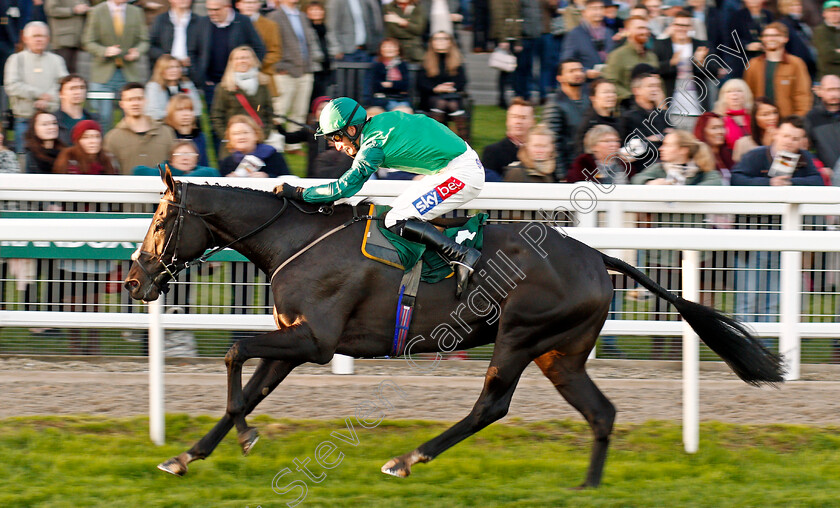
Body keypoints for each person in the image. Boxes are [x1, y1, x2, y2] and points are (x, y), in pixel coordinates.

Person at [274, 97, 485, 297]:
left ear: (352, 129)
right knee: (394, 215)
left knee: (397, 219)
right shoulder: (377, 124)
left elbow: (344, 188)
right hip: (449, 168)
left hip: (462, 173)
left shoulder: (372, 146)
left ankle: (461, 255)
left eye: (337, 137)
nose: (337, 145)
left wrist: (299, 193)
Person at [730, 116, 824, 324]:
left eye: (795, 138)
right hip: (753, 236)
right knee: (749, 296)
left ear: (802, 141)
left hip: (785, 236)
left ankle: (766, 349)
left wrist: (790, 183)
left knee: (773, 298)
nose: (789, 141)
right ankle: (743, 349)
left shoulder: (804, 158)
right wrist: (769, 183)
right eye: (786, 136)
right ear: (776, 134)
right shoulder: (755, 156)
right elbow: (737, 179)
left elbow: (817, 181)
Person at [81, 0, 149, 130]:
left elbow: (144, 40)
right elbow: (88, 41)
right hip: (103, 73)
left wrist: (137, 51)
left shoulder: (136, 12)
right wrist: (104, 51)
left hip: (128, 73)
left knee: (132, 117)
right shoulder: (96, 12)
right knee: (103, 118)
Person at [4, 21, 68, 153]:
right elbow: (11, 86)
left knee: (53, 158)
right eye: (35, 36)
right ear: (25, 38)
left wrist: (47, 100)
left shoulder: (57, 60)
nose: (39, 39)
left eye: (42, 36)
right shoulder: (16, 59)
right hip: (24, 119)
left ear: (48, 38)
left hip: (52, 121)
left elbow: (64, 85)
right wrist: (38, 94)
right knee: (25, 157)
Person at [267, 0, 323, 149]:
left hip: (305, 70)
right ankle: (275, 144)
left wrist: (310, 64)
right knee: (280, 110)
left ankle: (293, 145)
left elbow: (308, 42)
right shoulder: (275, 16)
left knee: (300, 109)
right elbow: (270, 44)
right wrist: (279, 66)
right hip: (285, 71)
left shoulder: (303, 16)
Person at [195, 0, 265, 114]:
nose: (212, 13)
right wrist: (202, 78)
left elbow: (259, 48)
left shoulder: (243, 22)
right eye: (209, 9)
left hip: (238, 83)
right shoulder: (203, 23)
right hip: (212, 84)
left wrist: (246, 70)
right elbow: (193, 51)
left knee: (244, 118)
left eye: (216, 9)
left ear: (227, 7)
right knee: (216, 120)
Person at [743, 22, 812, 118]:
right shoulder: (753, 64)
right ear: (762, 39)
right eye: (766, 35)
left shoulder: (796, 64)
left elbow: (803, 96)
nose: (771, 39)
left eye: (776, 35)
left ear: (785, 39)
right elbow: (748, 96)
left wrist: (798, 121)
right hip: (761, 122)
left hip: (787, 122)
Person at [103, 82, 176, 173]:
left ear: (146, 100)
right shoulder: (112, 138)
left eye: (139, 99)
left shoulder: (166, 133)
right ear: (122, 104)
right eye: (130, 100)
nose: (135, 103)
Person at [210, 45, 275, 145]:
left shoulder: (262, 84)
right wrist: (227, 137)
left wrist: (265, 133)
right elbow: (217, 116)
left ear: (253, 60)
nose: (242, 61)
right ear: (232, 62)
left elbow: (268, 110)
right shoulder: (224, 88)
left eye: (246, 57)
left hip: (258, 140)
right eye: (238, 58)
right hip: (234, 143)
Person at [652, 10, 708, 112]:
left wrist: (700, 63)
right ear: (672, 25)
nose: (681, 29)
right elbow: (653, 70)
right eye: (678, 25)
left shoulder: (700, 45)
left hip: (696, 105)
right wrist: (671, 63)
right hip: (670, 104)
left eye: (685, 25)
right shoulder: (661, 44)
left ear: (691, 27)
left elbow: (714, 72)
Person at [544, 58, 590, 181]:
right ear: (560, 78)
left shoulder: (589, 100)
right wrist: (562, 175)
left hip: (588, 167)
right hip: (569, 170)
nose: (578, 74)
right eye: (572, 71)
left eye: (580, 70)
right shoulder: (555, 104)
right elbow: (553, 142)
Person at [418, 31, 469, 140]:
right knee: (443, 103)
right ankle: (460, 141)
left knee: (451, 103)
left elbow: (462, 82)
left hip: (452, 96)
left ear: (450, 42)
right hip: (431, 97)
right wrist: (436, 89)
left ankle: (445, 141)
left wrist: (451, 88)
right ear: (432, 43)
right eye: (436, 39)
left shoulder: (457, 61)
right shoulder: (426, 61)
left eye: (444, 39)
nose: (440, 41)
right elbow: (421, 83)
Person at [631, 130, 722, 185]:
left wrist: (680, 190)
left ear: (683, 150)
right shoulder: (659, 168)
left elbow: (716, 182)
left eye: (667, 145)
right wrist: (649, 183)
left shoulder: (702, 171)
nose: (661, 149)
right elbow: (637, 179)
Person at [603, 16, 659, 104]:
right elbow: (611, 82)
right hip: (627, 110)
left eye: (646, 29)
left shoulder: (652, 56)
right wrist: (633, 98)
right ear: (627, 31)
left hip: (651, 111)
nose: (645, 32)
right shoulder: (617, 55)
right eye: (640, 28)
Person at [148, 0, 205, 85]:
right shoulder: (161, 20)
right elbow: (150, 46)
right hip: (165, 72)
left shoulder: (199, 21)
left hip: (191, 72)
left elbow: (204, 49)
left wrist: (192, 60)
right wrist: (166, 58)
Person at [236, 0, 281, 103]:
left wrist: (253, 64)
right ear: (238, 4)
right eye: (246, 3)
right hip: (236, 77)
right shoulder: (233, 23)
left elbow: (275, 52)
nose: (249, 6)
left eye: (253, 2)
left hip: (263, 76)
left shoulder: (270, 25)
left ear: (259, 4)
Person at [481, 97, 535, 181]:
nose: (518, 121)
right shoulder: (493, 152)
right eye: (514, 117)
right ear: (507, 120)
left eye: (523, 117)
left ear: (533, 122)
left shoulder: (540, 150)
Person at [219, 114, 289, 177]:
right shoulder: (227, 162)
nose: (241, 137)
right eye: (236, 134)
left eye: (245, 132)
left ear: (256, 135)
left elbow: (289, 183)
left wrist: (267, 178)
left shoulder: (273, 156)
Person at [561, 0, 616, 80]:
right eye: (594, 9)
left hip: (607, 80)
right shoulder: (575, 34)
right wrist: (585, 72)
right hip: (586, 84)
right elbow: (566, 61)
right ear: (584, 12)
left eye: (601, 8)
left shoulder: (608, 32)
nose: (598, 12)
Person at [144, 54, 202, 120]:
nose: (174, 70)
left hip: (186, 123)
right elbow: (153, 113)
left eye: (177, 67)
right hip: (162, 125)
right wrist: (177, 116)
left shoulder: (187, 84)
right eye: (169, 68)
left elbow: (197, 109)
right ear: (161, 70)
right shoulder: (153, 87)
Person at [727, 0, 773, 78]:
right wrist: (747, 45)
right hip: (745, 58)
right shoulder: (737, 16)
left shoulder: (768, 15)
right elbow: (732, 38)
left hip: (765, 56)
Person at [54, 120, 119, 175]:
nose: (93, 141)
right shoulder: (68, 160)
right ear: (78, 141)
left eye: (97, 136)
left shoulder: (108, 160)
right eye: (86, 137)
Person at [366, 37, 412, 112]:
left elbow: (405, 85)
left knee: (403, 112)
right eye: (386, 46)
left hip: (399, 100)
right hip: (380, 100)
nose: (389, 49)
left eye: (392, 46)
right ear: (381, 50)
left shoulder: (402, 65)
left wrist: (391, 84)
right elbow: (376, 85)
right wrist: (396, 86)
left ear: (398, 50)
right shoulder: (377, 65)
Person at [163, 93, 209, 167]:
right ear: (172, 113)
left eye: (189, 110)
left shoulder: (200, 137)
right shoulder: (166, 136)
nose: (186, 114)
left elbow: (204, 163)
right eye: (180, 110)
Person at [574, 78, 618, 154]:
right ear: (593, 97)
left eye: (613, 92)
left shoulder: (619, 120)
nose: (611, 96)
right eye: (605, 92)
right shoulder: (587, 123)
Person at [44, 0, 90, 73]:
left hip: (77, 38)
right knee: (62, 72)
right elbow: (51, 10)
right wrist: (73, 10)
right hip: (63, 39)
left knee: (72, 72)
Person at [805, 74, 840, 169]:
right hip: (827, 178)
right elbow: (804, 149)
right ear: (820, 91)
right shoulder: (811, 118)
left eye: (838, 89)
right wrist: (819, 168)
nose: (834, 94)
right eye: (830, 90)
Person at [777, 0, 818, 80]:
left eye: (798, 5)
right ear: (785, 7)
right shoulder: (783, 25)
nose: (798, 8)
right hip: (792, 70)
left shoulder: (801, 24)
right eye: (793, 5)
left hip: (808, 69)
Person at [134, 139, 219, 176]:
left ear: (196, 159)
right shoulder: (163, 170)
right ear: (171, 160)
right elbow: (138, 170)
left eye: (190, 154)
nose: (185, 158)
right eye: (180, 154)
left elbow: (212, 172)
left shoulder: (204, 172)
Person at [56, 74, 99, 146]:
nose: (78, 92)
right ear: (61, 93)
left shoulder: (95, 120)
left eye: (82, 88)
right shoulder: (53, 121)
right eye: (72, 88)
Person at [733, 97, 780, 162]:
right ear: (755, 118)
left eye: (775, 112)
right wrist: (766, 147)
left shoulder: (785, 140)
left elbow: (785, 167)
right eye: (765, 114)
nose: (773, 117)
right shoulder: (743, 144)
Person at [713, 78, 755, 150]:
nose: (734, 94)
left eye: (739, 91)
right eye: (729, 91)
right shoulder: (718, 119)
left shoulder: (754, 117)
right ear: (723, 96)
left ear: (746, 94)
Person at [693, 111, 734, 181]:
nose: (720, 131)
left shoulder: (728, 155)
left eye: (722, 127)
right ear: (702, 131)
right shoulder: (696, 159)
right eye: (714, 128)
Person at [305, 1, 332, 101]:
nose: (316, 12)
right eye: (312, 10)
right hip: (314, 66)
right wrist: (321, 57)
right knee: (314, 94)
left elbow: (332, 44)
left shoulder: (326, 27)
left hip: (327, 67)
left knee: (324, 94)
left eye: (318, 9)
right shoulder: (307, 28)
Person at [813, 0, 840, 79]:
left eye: (838, 11)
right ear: (824, 13)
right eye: (831, 11)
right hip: (828, 78)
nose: (835, 14)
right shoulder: (820, 31)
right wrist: (834, 53)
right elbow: (828, 55)